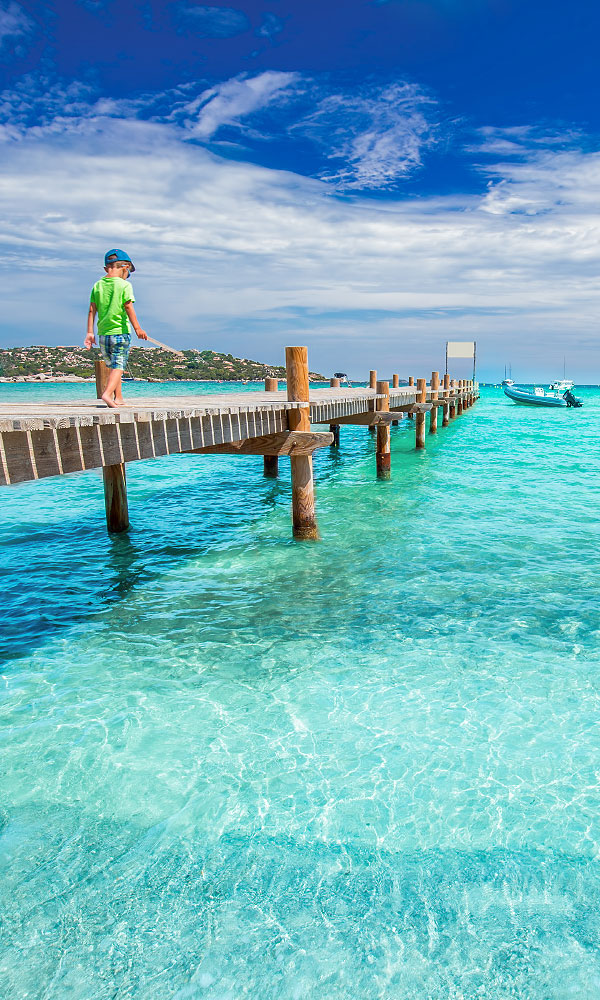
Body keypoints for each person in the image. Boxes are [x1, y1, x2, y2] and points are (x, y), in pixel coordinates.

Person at [84, 249, 148, 407]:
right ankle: (107, 394)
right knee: (119, 366)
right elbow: (128, 307)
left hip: (103, 334)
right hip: (120, 332)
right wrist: (138, 329)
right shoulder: (125, 285)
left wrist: (89, 332)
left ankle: (118, 397)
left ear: (106, 268)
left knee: (114, 366)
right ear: (125, 268)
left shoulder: (98, 285)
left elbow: (92, 310)